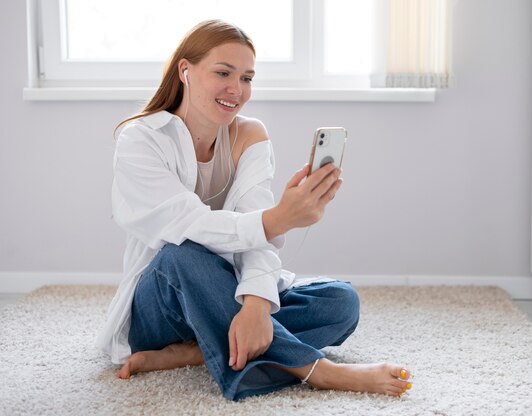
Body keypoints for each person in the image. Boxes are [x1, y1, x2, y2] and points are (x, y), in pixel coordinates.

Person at [97, 19, 412, 401]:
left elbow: (257, 233)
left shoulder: (249, 135)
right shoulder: (141, 139)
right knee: (183, 255)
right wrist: (279, 219)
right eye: (223, 73)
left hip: (228, 293)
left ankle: (199, 351)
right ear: (186, 71)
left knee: (340, 301)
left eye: (247, 77)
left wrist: (258, 305)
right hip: (162, 305)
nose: (237, 89)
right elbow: (190, 225)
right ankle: (318, 370)